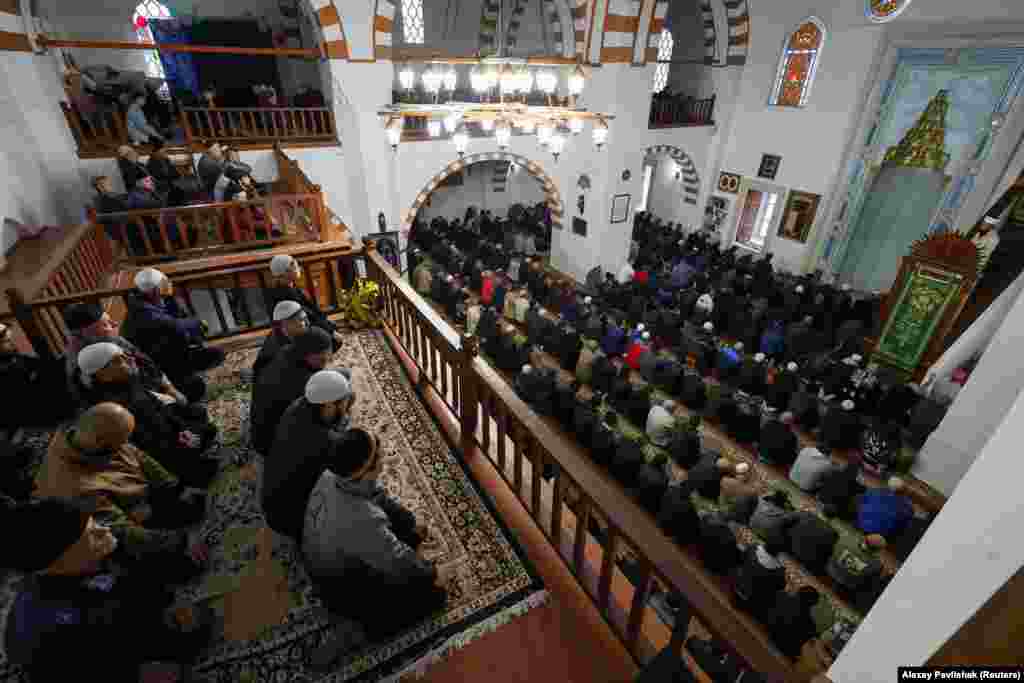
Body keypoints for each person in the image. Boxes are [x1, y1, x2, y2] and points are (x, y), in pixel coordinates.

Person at [2, 497, 213, 683]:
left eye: (93, 524)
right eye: (90, 533)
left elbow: (139, 541)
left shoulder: (96, 542)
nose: (102, 530)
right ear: (61, 562)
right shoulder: (41, 633)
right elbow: (71, 673)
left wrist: (182, 543)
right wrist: (133, 675)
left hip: (128, 629)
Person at [33, 403, 210, 585]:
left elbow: (139, 456)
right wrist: (178, 542)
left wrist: (176, 487)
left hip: (135, 500)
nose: (125, 446)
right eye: (120, 444)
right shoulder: (70, 487)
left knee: (194, 501)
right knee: (180, 566)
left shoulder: (90, 436)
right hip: (101, 541)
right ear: (103, 446)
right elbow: (119, 530)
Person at [303, 428, 452, 640]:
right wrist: (432, 574)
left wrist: (407, 522)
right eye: (380, 455)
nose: (384, 455)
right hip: (343, 589)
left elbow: (374, 494)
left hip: (330, 552)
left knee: (406, 523)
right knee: (435, 596)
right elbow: (397, 561)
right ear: (368, 469)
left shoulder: (332, 475)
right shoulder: (361, 519)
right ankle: (372, 626)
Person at [75, 343, 219, 487]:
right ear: (102, 374)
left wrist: (182, 429)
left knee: (200, 416)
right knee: (204, 468)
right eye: (119, 360)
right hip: (160, 452)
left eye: (125, 355)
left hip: (167, 432)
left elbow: (158, 406)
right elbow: (149, 448)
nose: (129, 359)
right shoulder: (113, 410)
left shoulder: (127, 380)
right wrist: (184, 445)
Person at [263, 370, 355, 541]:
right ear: (328, 405)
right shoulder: (324, 441)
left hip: (271, 504)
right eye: (343, 403)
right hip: (291, 520)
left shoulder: (296, 406)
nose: (347, 407)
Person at [63, 302, 205, 404]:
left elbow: (144, 359)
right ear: (84, 333)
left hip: (147, 384)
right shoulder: (83, 366)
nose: (115, 324)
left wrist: (170, 388)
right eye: (105, 324)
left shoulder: (111, 338)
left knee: (195, 385)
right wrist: (163, 398)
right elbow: (118, 397)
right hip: (135, 404)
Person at [121, 267, 226, 387]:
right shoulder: (144, 313)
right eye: (161, 285)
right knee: (197, 386)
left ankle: (187, 370)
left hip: (170, 351)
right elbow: (174, 325)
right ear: (154, 290)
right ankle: (181, 378)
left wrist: (171, 300)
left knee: (216, 353)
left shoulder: (150, 301)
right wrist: (198, 323)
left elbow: (179, 318)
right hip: (160, 363)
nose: (166, 286)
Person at [251, 327, 334, 455]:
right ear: (307, 355)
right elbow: (317, 420)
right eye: (322, 360)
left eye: (329, 357)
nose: (326, 364)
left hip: (261, 431)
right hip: (273, 445)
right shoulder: (302, 383)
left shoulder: (287, 350)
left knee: (341, 376)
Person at [0, 323, 74, 433]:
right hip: (34, 424)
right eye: (6, 341)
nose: (12, 342)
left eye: (10, 338)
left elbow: (45, 367)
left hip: (52, 414)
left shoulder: (16, 358)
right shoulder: (7, 372)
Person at [264, 254, 344, 351]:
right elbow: (307, 316)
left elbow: (311, 308)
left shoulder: (290, 286)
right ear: (284, 273)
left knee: (332, 326)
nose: (298, 268)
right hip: (299, 331)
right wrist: (330, 331)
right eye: (293, 266)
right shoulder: (285, 294)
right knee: (335, 340)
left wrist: (326, 322)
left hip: (305, 324)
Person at [253, 301, 309, 381]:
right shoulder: (279, 349)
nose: (307, 323)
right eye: (301, 320)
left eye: (306, 318)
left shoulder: (288, 333)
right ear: (286, 324)